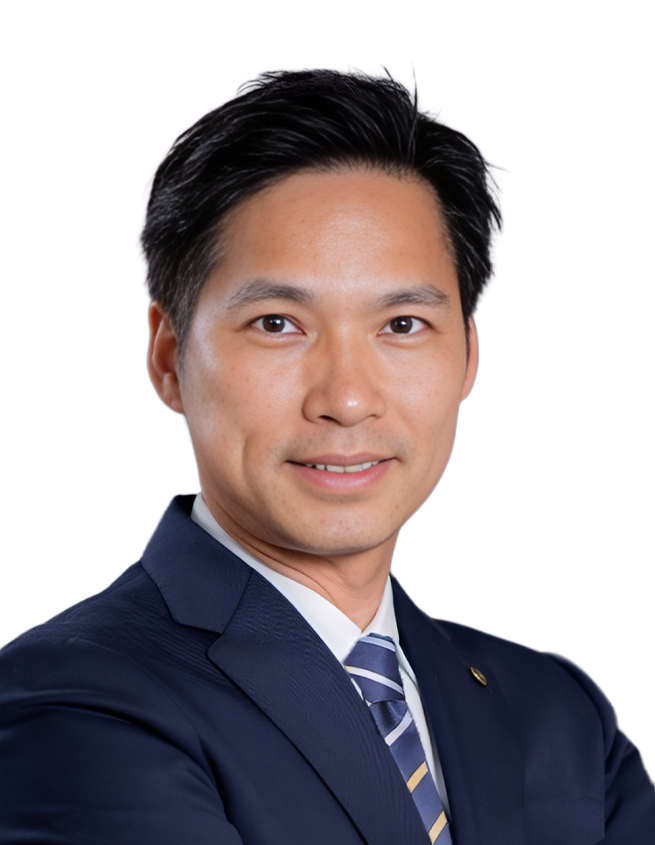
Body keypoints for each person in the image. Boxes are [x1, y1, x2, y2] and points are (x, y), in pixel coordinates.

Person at [0, 70, 653, 844]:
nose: (346, 398)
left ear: (467, 355)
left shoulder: (555, 713)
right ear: (170, 357)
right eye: (278, 323)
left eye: (402, 325)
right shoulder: (75, 703)